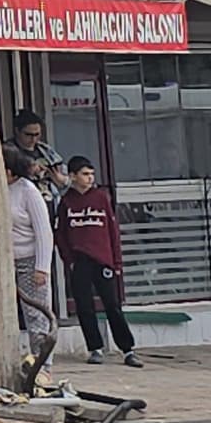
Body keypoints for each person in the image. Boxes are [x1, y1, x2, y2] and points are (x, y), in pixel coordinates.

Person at [54, 154, 139, 365]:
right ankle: (95, 348)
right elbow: (60, 234)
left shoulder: (101, 198)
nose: (90, 178)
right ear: (72, 176)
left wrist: (116, 262)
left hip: (104, 260)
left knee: (112, 305)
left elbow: (113, 231)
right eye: (84, 174)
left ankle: (127, 349)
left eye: (92, 174)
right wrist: (69, 260)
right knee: (84, 306)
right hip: (80, 261)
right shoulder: (66, 202)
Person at [3, 149, 61, 384]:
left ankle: (43, 365)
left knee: (36, 315)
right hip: (4, 260)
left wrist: (42, 267)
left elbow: (43, 232)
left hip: (29, 258)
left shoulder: (27, 191)